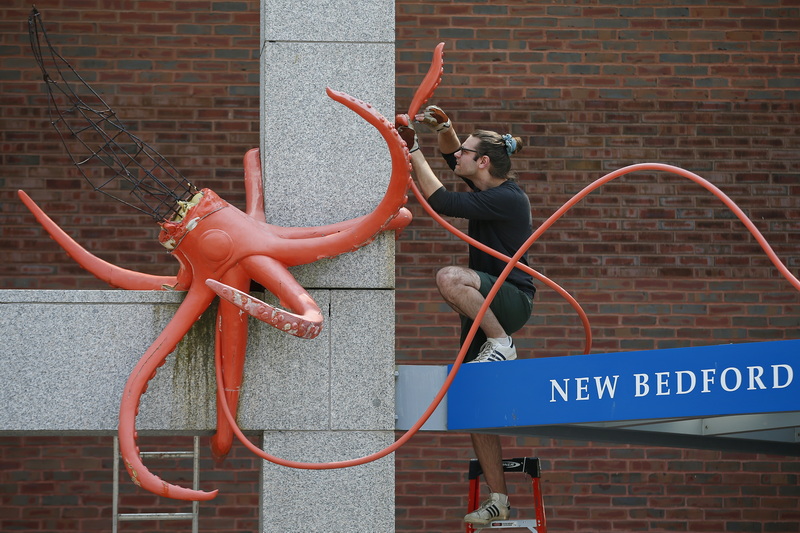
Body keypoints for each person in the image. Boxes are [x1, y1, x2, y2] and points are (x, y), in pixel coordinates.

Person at [397, 106, 535, 526]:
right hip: (486, 301)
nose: (458, 156)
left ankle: (502, 344)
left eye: (466, 152)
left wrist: (412, 149)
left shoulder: (507, 198)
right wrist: (447, 130)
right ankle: (499, 497)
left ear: (485, 162)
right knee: (475, 400)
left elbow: (441, 200)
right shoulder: (487, 186)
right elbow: (449, 158)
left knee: (449, 277)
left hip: (511, 298)